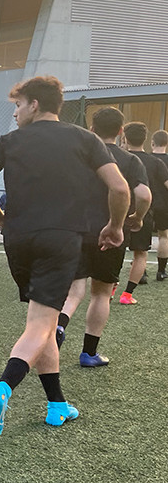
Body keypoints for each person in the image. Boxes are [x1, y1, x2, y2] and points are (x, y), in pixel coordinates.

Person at [0, 76, 128, 438]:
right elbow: (120, 187)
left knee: (41, 317)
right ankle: (3, 387)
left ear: (35, 104)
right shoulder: (84, 139)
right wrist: (116, 227)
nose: (15, 113)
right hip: (60, 240)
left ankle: (57, 404)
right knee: (41, 326)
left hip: (19, 239)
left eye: (18, 105)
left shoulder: (7, 142)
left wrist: (1, 220)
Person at [56, 108, 150, 366]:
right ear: (121, 131)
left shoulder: (79, 157)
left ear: (93, 130)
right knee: (101, 292)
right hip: (111, 232)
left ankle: (59, 327)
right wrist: (138, 218)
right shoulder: (131, 161)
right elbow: (143, 195)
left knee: (75, 289)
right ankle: (89, 353)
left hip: (77, 229)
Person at [119, 122, 168, 299]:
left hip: (118, 210)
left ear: (125, 138)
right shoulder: (154, 162)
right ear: (146, 139)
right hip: (143, 212)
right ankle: (127, 294)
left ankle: (109, 289)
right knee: (141, 253)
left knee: (114, 249)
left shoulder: (117, 158)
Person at [152, 129, 168, 280]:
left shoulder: (145, 159)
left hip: (145, 203)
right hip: (164, 204)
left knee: (138, 236)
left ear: (152, 142)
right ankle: (161, 272)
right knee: (163, 236)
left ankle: (140, 272)